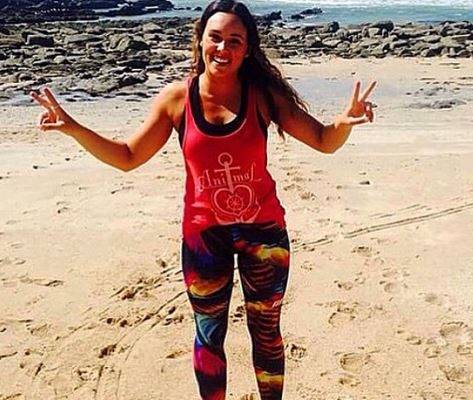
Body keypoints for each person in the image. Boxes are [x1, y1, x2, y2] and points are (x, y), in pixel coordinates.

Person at [31, 1, 376, 398]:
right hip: (203, 236)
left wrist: (344, 123)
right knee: (209, 336)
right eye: (215, 38)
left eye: (235, 41)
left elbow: (323, 140)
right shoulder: (178, 99)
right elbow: (127, 156)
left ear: (247, 49)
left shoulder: (263, 96)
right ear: (200, 41)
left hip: (263, 233)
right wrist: (74, 128)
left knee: (266, 333)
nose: (223, 48)